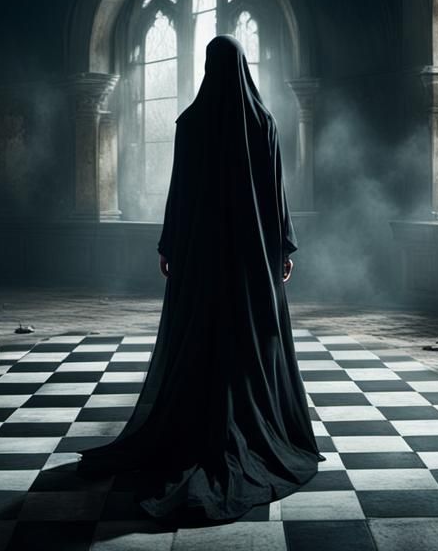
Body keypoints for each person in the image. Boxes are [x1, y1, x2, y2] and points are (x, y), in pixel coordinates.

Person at [77, 34, 322, 522]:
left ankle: (197, 423)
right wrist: (281, 251)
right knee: (250, 339)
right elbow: (276, 195)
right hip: (251, 259)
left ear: (208, 68)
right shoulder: (263, 122)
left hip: (203, 259)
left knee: (201, 337)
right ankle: (255, 426)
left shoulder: (191, 122)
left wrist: (170, 247)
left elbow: (181, 194)